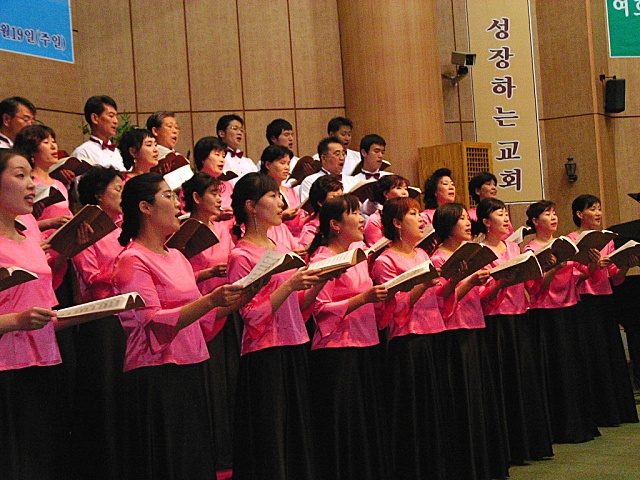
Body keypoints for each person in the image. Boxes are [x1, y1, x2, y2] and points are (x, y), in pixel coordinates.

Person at [112, 173, 244, 479]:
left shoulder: (177, 257)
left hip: (191, 364)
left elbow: (202, 317)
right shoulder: (132, 259)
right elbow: (153, 323)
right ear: (145, 207)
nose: (177, 204)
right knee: (168, 460)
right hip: (156, 372)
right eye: (167, 196)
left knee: (194, 458)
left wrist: (245, 294)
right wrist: (210, 300)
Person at [227, 172, 326, 480]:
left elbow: (299, 307)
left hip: (295, 345)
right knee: (271, 437)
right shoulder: (241, 254)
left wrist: (320, 282)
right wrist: (289, 285)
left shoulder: (280, 247)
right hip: (265, 352)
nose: (281, 202)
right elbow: (251, 316)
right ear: (251, 206)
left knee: (297, 433)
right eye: (272, 196)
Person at [305, 194, 390, 480]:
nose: (361, 218)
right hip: (337, 350)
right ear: (335, 224)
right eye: (353, 213)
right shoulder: (322, 259)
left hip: (366, 344)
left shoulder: (359, 253)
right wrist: (363, 298)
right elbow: (320, 311)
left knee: (366, 420)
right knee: (345, 423)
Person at [0, 149, 69, 479]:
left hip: (42, 359)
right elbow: (21, 314)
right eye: (19, 175)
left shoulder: (29, 237)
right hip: (5, 367)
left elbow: (45, 306)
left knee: (42, 456)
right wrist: (16, 321)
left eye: (31, 175)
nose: (32, 184)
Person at [371, 197, 448, 479]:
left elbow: (435, 297)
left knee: (433, 407)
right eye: (413, 214)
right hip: (406, 339)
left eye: (419, 213)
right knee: (412, 410)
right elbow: (394, 308)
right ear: (396, 223)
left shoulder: (422, 255)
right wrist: (423, 285)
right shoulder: (385, 261)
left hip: (432, 332)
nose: (421, 219)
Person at [431, 203, 509, 480]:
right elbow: (441, 300)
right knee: (460, 398)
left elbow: (482, 297)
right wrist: (466, 280)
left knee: (478, 398)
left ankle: (485, 461)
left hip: (475, 326)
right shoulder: (438, 259)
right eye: (462, 219)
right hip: (453, 332)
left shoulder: (473, 253)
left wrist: (501, 282)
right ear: (448, 225)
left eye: (468, 218)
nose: (468, 223)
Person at [476, 198, 554, 462]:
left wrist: (544, 267)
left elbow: (532, 285)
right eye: (499, 214)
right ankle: (509, 448)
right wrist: (501, 283)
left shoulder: (513, 248)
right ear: (486, 222)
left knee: (524, 382)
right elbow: (482, 297)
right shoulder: (481, 253)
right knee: (504, 384)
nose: (506, 218)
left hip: (520, 316)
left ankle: (531, 444)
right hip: (496, 322)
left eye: (506, 213)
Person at [523, 200, 599, 444]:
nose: (553, 217)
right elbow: (535, 289)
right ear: (535, 221)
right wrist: (554, 268)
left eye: (554, 213)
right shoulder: (531, 250)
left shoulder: (565, 245)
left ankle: (580, 422)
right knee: (555, 370)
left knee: (573, 368)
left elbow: (581, 276)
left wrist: (593, 263)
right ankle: (559, 427)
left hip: (570, 310)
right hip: (546, 314)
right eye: (547, 214)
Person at [181, 172, 240, 473]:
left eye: (220, 193)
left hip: (228, 308)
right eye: (213, 193)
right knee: (211, 385)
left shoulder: (223, 229)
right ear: (195, 198)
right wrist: (206, 274)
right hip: (201, 312)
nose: (219, 199)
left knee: (231, 382)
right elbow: (177, 281)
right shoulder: (183, 232)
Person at [71, 166, 127, 480]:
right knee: (106, 395)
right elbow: (92, 279)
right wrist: (128, 271)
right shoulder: (86, 230)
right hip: (101, 320)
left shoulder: (125, 227)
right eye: (117, 189)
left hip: (128, 315)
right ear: (97, 195)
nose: (122, 194)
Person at [567, 194, 639, 425]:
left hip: (605, 299)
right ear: (580, 214)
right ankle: (595, 411)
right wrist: (592, 266)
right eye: (592, 209)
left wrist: (625, 265)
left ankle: (615, 409)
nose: (598, 213)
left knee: (609, 352)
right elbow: (572, 279)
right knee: (590, 353)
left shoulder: (607, 240)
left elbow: (614, 277)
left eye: (599, 208)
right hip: (583, 301)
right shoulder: (570, 241)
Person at [13, 124, 72, 238]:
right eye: (46, 142)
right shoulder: (28, 184)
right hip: (40, 243)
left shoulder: (59, 183)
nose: (53, 146)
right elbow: (18, 225)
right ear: (32, 150)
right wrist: (50, 223)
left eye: (54, 141)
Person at [260, 144, 305, 238]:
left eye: (288, 163)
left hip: (296, 238)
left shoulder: (291, 192)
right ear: (268, 164)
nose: (287, 167)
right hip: (271, 237)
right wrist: (282, 216)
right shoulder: (261, 191)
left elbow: (299, 222)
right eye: (282, 163)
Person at [72, 95, 125, 171]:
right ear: (95, 118)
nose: (116, 121)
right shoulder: (82, 152)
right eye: (111, 116)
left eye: (116, 117)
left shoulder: (116, 152)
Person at [194, 136, 235, 228]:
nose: (222, 160)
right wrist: (217, 217)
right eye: (217, 155)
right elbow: (188, 219)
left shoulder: (228, 187)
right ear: (203, 158)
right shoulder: (193, 185)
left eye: (223, 156)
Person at [298, 175, 343, 248]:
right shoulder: (311, 231)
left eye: (342, 197)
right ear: (320, 202)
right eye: (335, 198)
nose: (341, 202)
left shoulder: (345, 224)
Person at [363, 174, 410, 246]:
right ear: (386, 193)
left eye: (405, 189)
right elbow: (376, 249)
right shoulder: (375, 219)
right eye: (399, 188)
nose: (404, 193)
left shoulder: (409, 215)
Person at [299, 136, 346, 204]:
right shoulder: (310, 181)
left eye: (343, 154)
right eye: (337, 154)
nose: (342, 158)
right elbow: (308, 208)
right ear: (324, 158)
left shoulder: (352, 180)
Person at [468, 172, 514, 236]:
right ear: (477, 190)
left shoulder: (501, 211)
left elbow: (510, 233)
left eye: (494, 185)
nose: (494, 188)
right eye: (488, 184)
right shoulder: (470, 215)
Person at [216, 114, 258, 180]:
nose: (239, 133)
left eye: (241, 130)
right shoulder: (217, 160)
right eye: (234, 128)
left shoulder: (249, 162)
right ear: (222, 133)